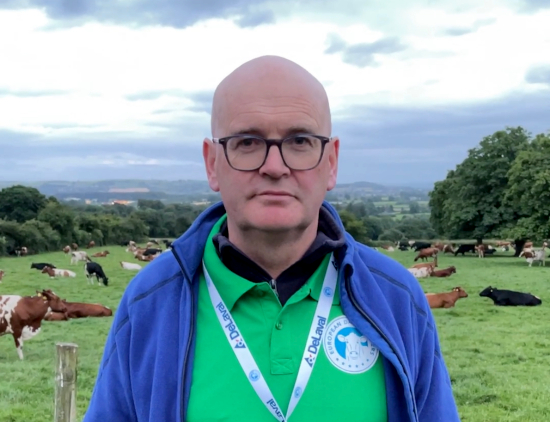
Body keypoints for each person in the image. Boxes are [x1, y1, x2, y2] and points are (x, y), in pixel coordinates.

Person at [83, 55, 460, 422]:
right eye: (247, 142)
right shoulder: (150, 301)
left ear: (331, 162)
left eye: (300, 141)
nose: (275, 167)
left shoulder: (396, 298)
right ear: (212, 163)